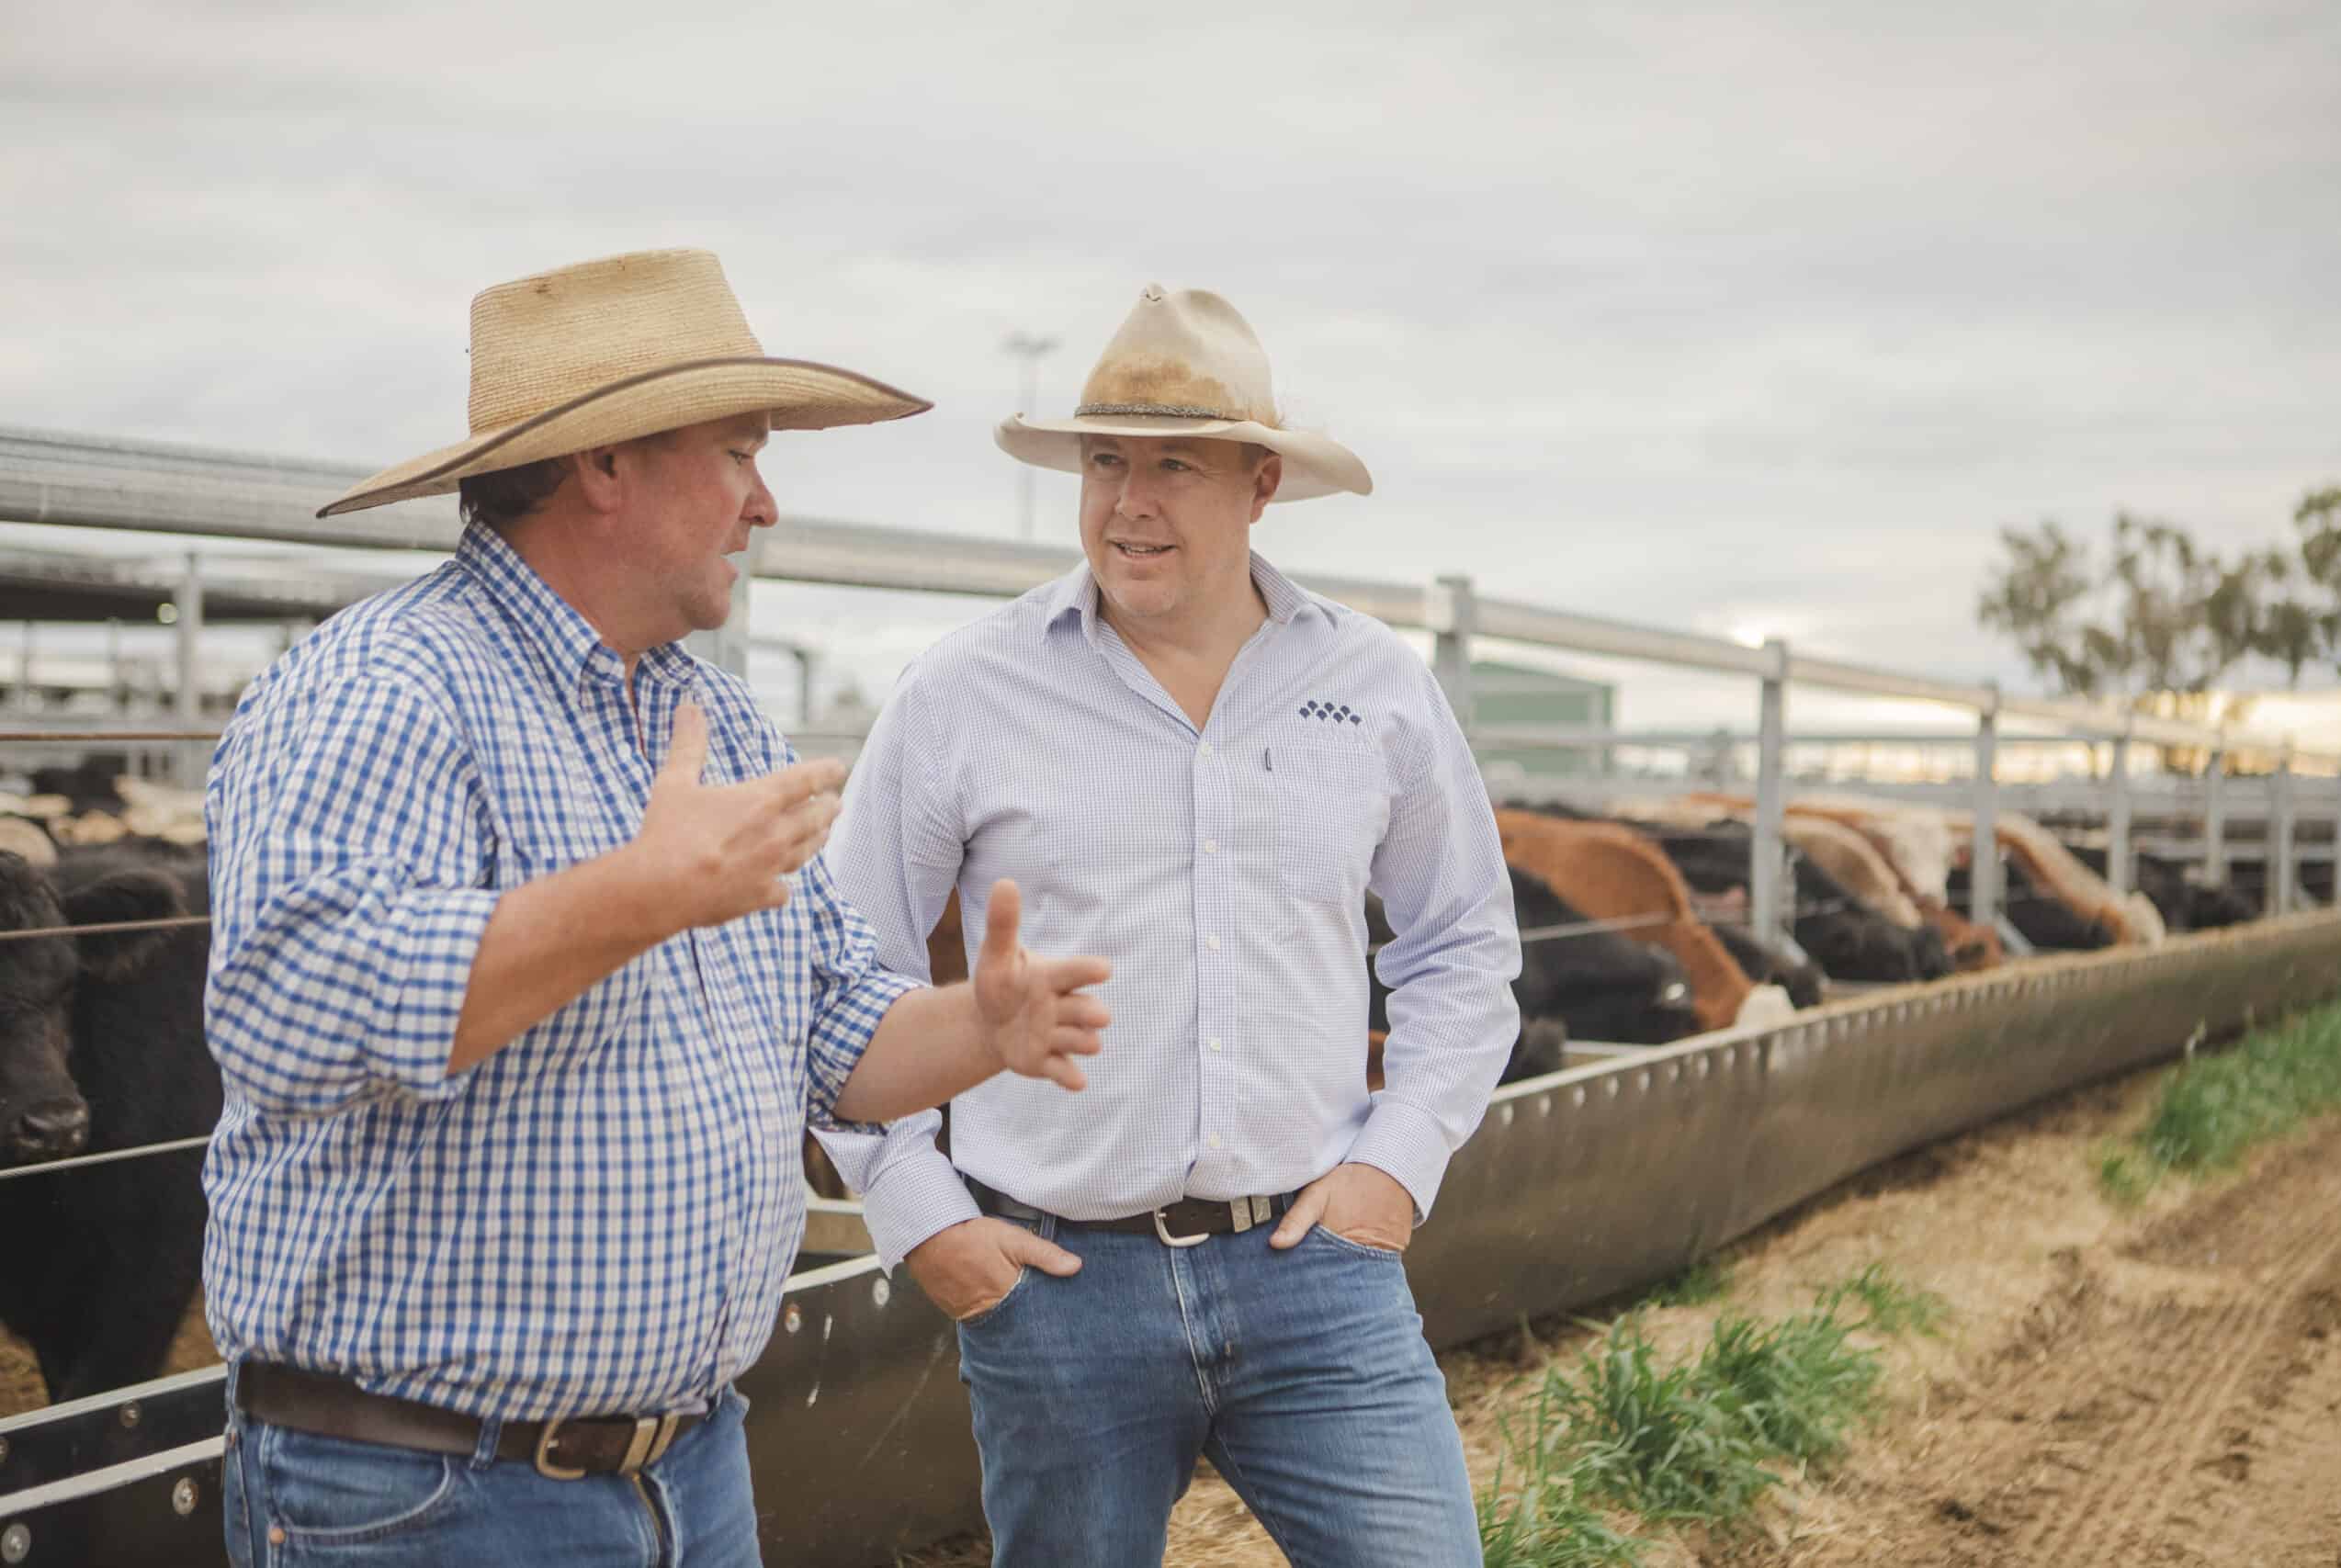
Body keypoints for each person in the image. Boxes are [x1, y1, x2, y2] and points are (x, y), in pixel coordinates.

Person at [201, 248, 1111, 1568]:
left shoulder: (714, 713)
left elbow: (839, 1042)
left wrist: (983, 1025)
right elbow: (289, 1011)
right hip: (427, 1495)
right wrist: (644, 893)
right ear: (605, 465)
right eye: (740, 452)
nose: (767, 503)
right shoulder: (387, 687)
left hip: (686, 1470)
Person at [820, 284, 1520, 1565]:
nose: (1128, 502)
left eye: (1174, 467)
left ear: (1260, 485)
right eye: (1105, 463)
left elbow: (1462, 943)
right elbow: (836, 971)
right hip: (1055, 1287)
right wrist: (918, 1210)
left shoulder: (1371, 689)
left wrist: (1399, 1164)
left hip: (1317, 1262)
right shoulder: (964, 692)